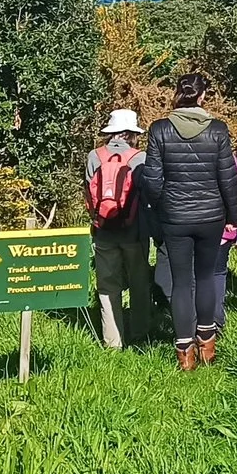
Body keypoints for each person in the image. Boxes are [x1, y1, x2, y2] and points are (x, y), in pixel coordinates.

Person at [137, 73, 237, 371]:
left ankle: (184, 350)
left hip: (175, 216)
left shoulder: (159, 130)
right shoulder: (218, 130)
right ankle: (207, 342)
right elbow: (229, 178)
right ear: (203, 96)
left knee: (182, 281)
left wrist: (160, 208)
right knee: (206, 277)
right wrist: (234, 218)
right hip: (211, 215)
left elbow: (153, 180)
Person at [85, 109, 153, 345]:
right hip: (135, 231)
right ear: (133, 134)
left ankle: (112, 340)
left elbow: (89, 196)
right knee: (139, 282)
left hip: (103, 230)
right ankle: (140, 333)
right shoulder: (140, 158)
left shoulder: (95, 156)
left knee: (107, 286)